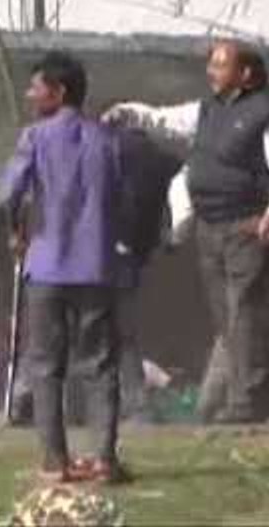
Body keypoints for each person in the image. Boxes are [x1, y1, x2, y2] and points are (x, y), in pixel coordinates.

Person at [105, 40, 269, 424]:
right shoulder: (209, 111)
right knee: (227, 317)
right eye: (211, 64)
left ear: (245, 74)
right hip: (211, 229)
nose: (210, 72)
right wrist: (130, 113)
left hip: (249, 229)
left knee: (245, 314)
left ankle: (247, 402)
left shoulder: (266, 114)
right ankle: (263, 395)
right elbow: (166, 120)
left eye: (219, 65)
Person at [1, 51, 129, 484]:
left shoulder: (35, 137)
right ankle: (105, 458)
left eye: (36, 87)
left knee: (45, 366)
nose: (30, 94)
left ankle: (55, 461)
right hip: (96, 266)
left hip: (47, 266)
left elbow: (11, 192)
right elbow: (121, 197)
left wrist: (16, 232)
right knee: (100, 365)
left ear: (57, 92)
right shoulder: (107, 140)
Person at [107, 121, 182, 422]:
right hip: (133, 256)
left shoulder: (108, 154)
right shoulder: (160, 160)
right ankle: (137, 407)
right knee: (123, 334)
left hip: (99, 255)